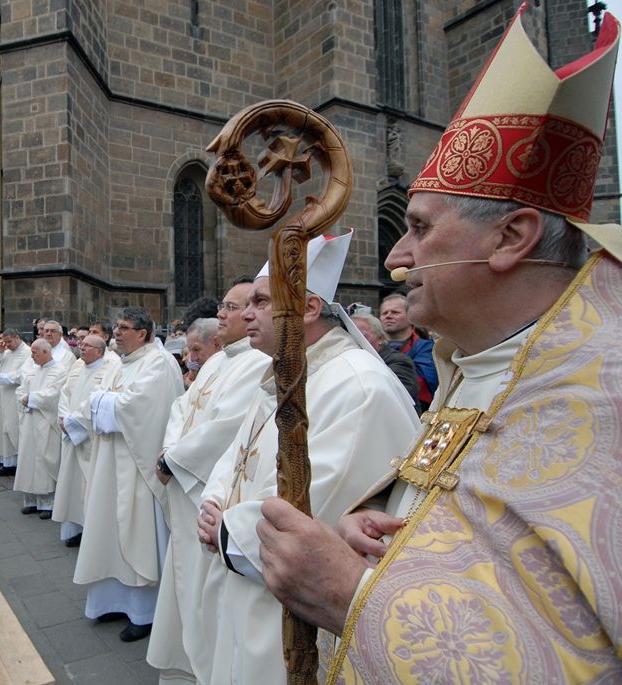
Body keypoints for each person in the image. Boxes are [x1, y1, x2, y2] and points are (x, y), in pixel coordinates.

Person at [256, 8, 622, 682]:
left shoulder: (606, 393)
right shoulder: (477, 359)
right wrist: (390, 538)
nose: (396, 256)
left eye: (420, 229)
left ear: (511, 238)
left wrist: (351, 596)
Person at [197, 231, 419, 685]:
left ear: (310, 308)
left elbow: (317, 503)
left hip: (288, 609)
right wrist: (212, 499)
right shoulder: (287, 370)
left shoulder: (357, 386)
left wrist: (225, 529)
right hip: (241, 579)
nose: (248, 313)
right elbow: (238, 454)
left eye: (261, 301)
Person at [147, 295, 271, 682]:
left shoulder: (256, 360)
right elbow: (181, 409)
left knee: (202, 588)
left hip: (202, 492)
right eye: (226, 306)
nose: (225, 313)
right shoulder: (218, 360)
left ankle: (203, 666)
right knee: (185, 581)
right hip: (186, 483)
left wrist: (175, 461)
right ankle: (185, 662)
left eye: (234, 307)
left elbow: (226, 427)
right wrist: (169, 452)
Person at [73, 307, 184, 642]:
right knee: (107, 530)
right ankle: (109, 602)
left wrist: (104, 402)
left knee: (138, 535)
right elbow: (95, 402)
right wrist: (104, 402)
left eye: (124, 328)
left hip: (138, 467)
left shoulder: (158, 362)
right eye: (116, 327)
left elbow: (139, 407)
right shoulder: (121, 364)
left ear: (144, 333)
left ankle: (143, 611)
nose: (117, 333)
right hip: (110, 462)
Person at [53, 334, 118, 546]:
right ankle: (73, 528)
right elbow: (65, 393)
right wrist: (64, 418)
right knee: (71, 485)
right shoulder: (78, 366)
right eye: (82, 345)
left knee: (88, 485)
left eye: (87, 346)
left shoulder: (110, 368)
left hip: (88, 438)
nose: (82, 348)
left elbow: (99, 401)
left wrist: (73, 422)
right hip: (71, 433)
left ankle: (90, 532)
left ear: (100, 351)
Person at [13, 339, 71, 518]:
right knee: (28, 458)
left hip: (46, 422)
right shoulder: (33, 370)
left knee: (44, 459)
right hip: (30, 421)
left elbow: (53, 394)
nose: (32, 356)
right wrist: (25, 398)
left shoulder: (59, 371)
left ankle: (47, 503)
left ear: (46, 352)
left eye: (35, 353)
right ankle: (31, 500)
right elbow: (20, 390)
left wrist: (30, 398)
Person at [0, 328, 31, 476]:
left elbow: (25, 375)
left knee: (13, 427)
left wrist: (4, 378)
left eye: (9, 341)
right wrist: (0, 352)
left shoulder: (27, 352)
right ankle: (6, 463)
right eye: (5, 342)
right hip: (2, 396)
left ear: (17, 338)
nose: (7, 344)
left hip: (15, 395)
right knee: (2, 428)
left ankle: (17, 463)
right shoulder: (7, 351)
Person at [351, 312, 418, 410]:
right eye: (350, 336)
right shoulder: (354, 361)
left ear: (380, 338)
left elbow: (392, 398)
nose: (354, 341)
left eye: (362, 337)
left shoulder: (398, 362)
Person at [380, 293, 437, 409]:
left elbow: (421, 384)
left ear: (411, 317)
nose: (388, 316)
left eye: (395, 312)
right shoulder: (370, 347)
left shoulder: (427, 349)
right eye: (384, 313)